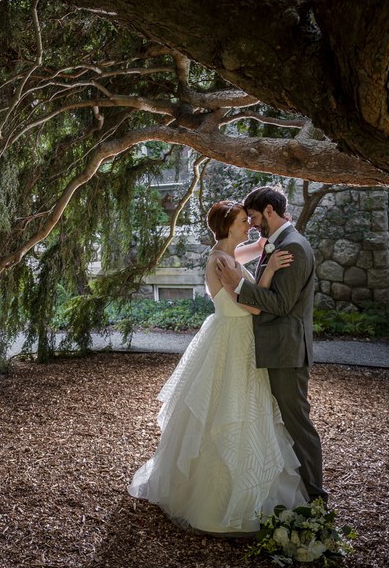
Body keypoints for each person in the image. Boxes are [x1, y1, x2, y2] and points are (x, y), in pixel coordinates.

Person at [128, 199, 307, 534]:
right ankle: (215, 503)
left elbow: (251, 250)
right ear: (228, 225)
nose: (249, 225)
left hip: (231, 336)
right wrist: (269, 270)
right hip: (234, 338)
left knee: (236, 408)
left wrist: (269, 240)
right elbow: (251, 307)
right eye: (243, 221)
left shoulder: (225, 254)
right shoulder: (223, 263)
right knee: (227, 411)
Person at [214, 186, 327, 503]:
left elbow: (281, 303)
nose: (252, 224)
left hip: (287, 352)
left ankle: (315, 498)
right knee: (285, 423)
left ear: (268, 211)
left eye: (253, 216)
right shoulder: (278, 243)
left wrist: (237, 286)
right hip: (277, 349)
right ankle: (294, 491)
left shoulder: (295, 248)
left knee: (298, 424)